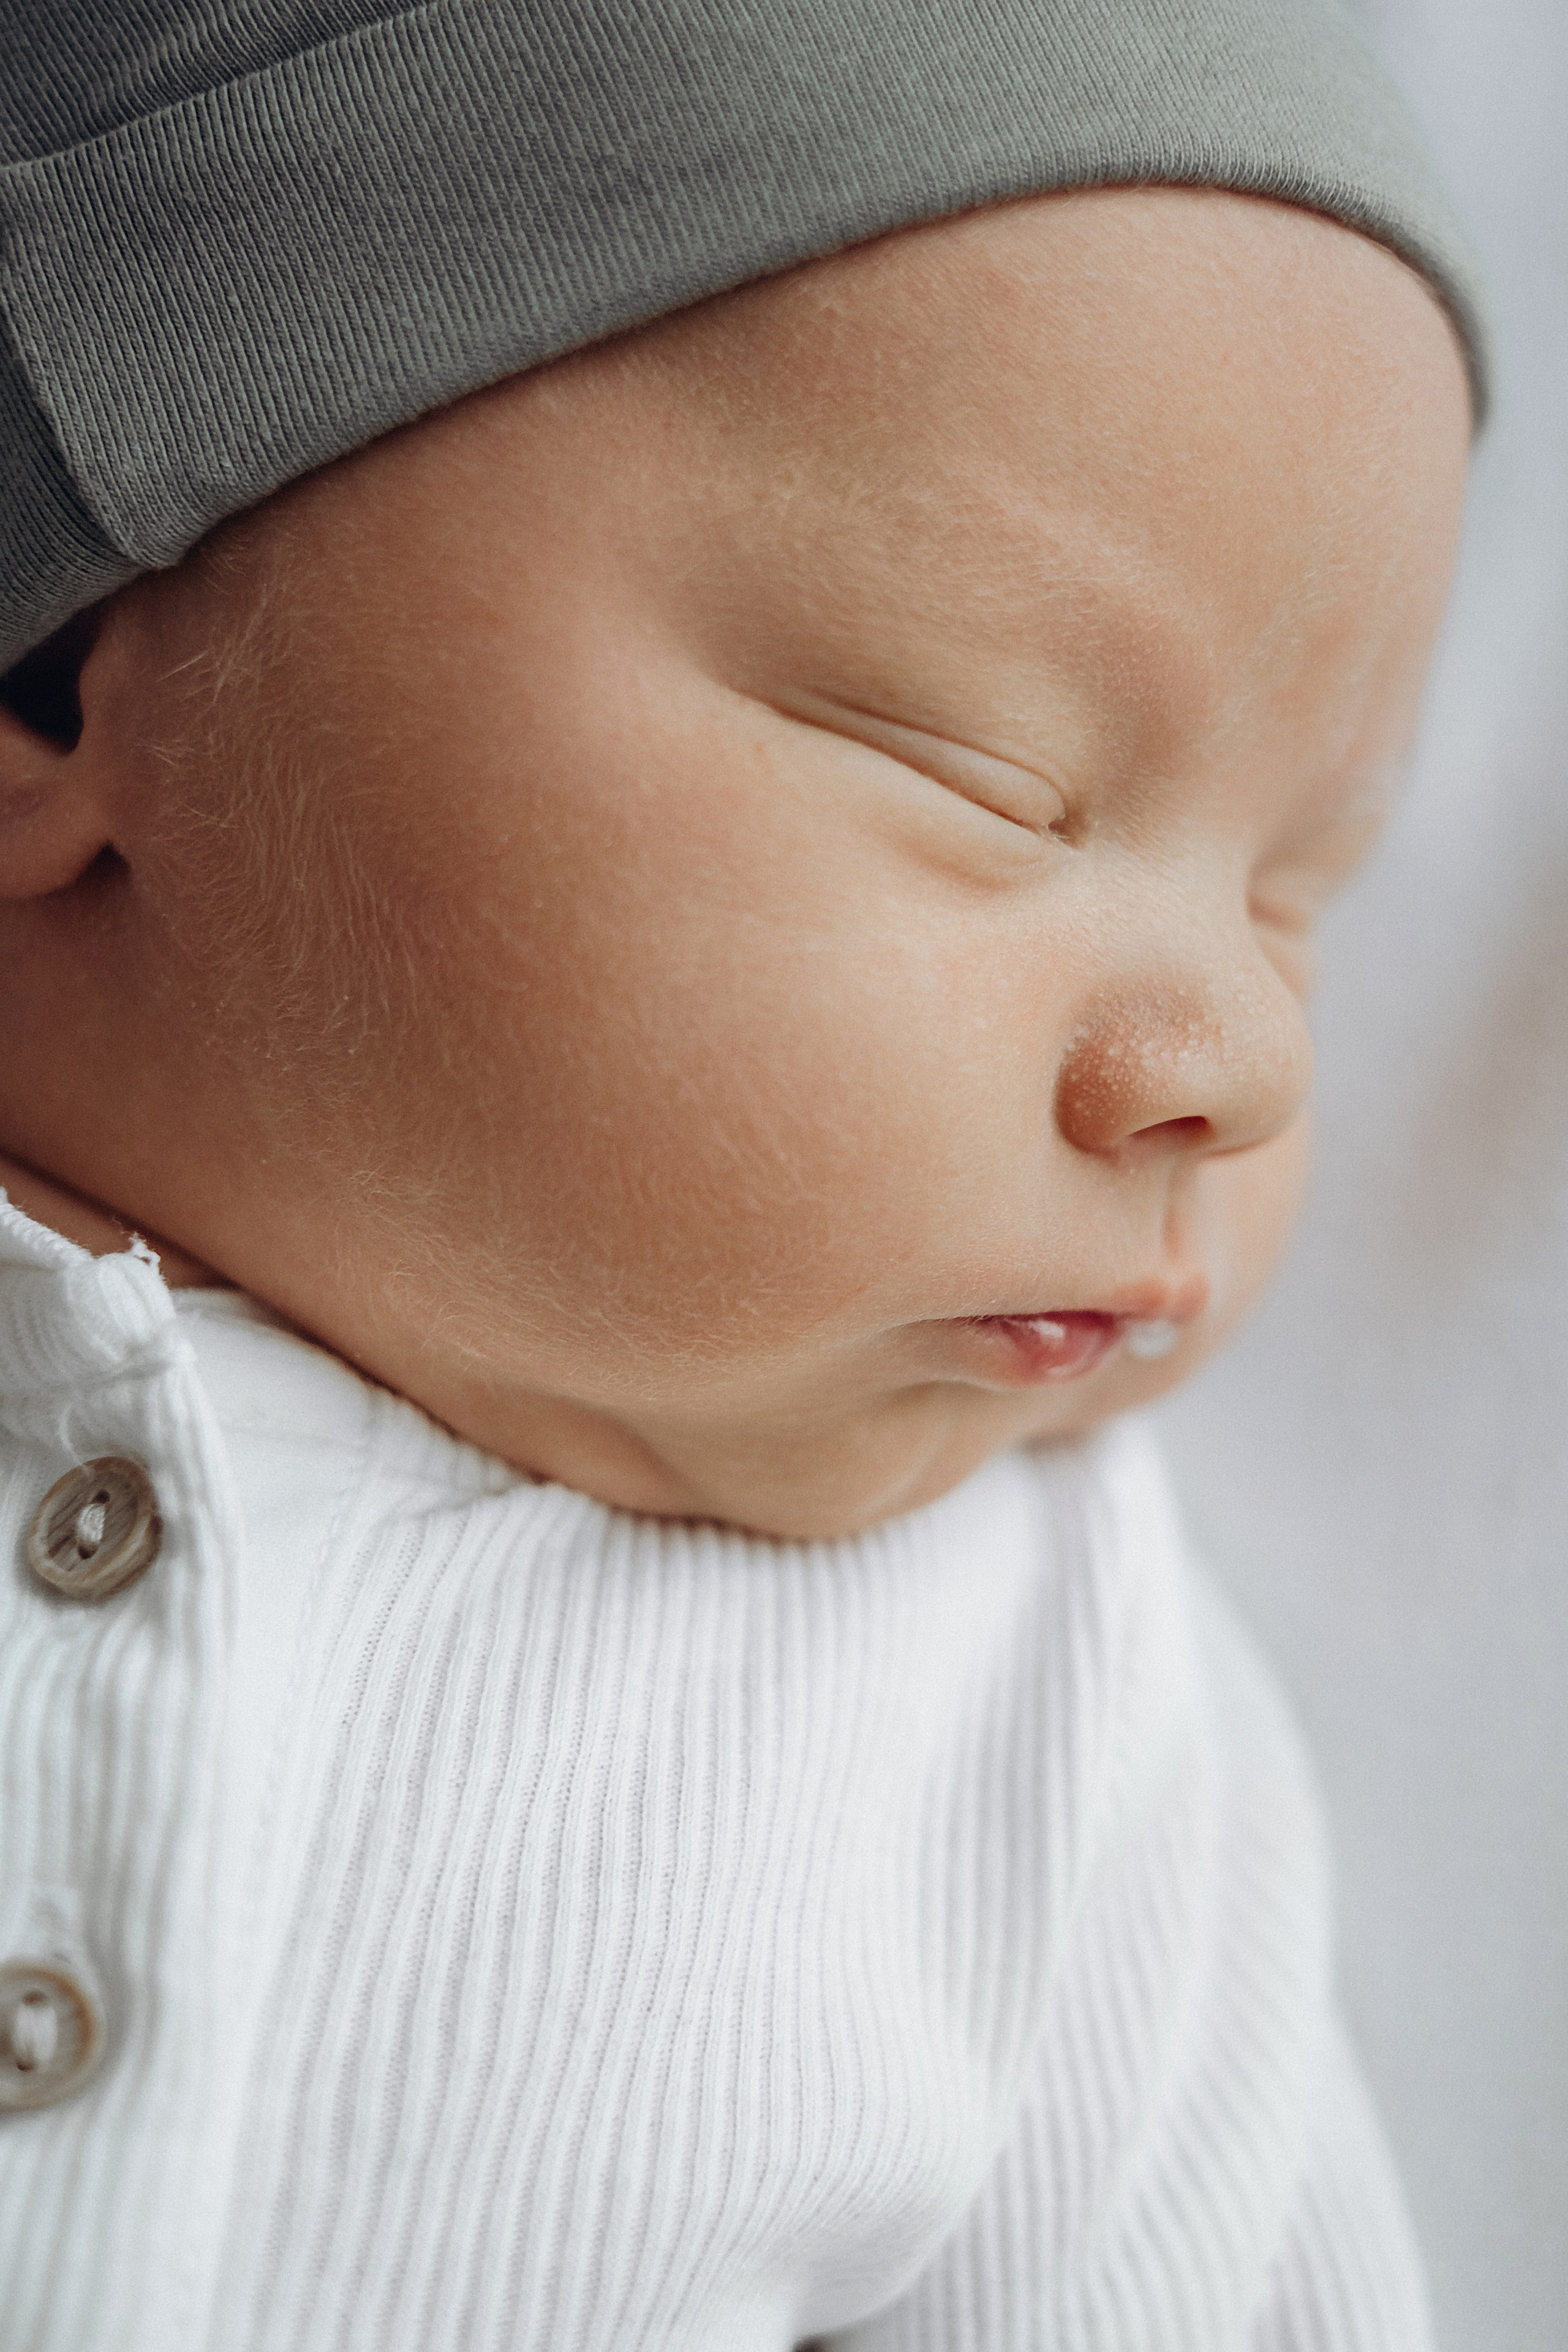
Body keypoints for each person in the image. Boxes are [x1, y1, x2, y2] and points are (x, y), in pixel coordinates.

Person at [0, 3, 1481, 2345]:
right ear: (66, 687)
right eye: (983, 767)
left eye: (1309, 885)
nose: (1249, 1060)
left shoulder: (1045, 1721)